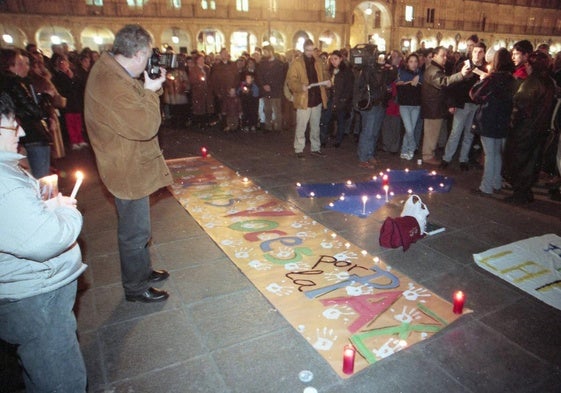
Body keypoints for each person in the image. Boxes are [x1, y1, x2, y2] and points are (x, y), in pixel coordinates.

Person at [0, 91, 87, 392]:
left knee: (41, 368)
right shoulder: (3, 182)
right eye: (12, 126)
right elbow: (46, 239)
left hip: (30, 289)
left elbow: (18, 225)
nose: (21, 132)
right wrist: (68, 214)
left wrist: (45, 207)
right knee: (61, 378)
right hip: (35, 295)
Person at [84, 24, 171, 303]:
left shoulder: (113, 70)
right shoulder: (112, 84)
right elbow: (145, 125)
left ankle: (142, 271)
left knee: (138, 229)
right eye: (147, 58)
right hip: (125, 168)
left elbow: (135, 108)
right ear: (138, 54)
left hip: (128, 161)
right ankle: (136, 287)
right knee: (135, 232)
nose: (148, 63)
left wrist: (150, 89)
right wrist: (150, 91)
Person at [503, 51, 556, 204]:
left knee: (520, 161)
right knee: (532, 161)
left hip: (526, 129)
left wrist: (512, 123)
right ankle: (525, 191)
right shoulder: (548, 81)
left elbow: (520, 104)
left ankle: (520, 192)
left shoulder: (532, 82)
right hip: (539, 128)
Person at [469, 48, 516, 196]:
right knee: (497, 154)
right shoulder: (511, 79)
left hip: (489, 119)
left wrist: (483, 79)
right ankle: (496, 182)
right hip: (503, 120)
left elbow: (475, 94)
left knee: (489, 155)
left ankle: (486, 187)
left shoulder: (492, 78)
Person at [0, 48, 52, 178]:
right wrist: (46, 98)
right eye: (20, 63)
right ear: (9, 65)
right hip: (32, 135)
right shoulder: (15, 83)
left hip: (18, 139)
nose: (26, 67)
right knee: (41, 179)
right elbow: (35, 111)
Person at [441, 42, 488, 170]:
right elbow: (453, 84)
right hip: (462, 103)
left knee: (469, 133)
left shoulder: (486, 68)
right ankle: (447, 158)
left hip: (476, 105)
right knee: (455, 132)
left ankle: (463, 159)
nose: (477, 55)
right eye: (475, 51)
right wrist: (451, 103)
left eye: (480, 52)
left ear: (484, 53)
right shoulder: (464, 64)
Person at [421, 46, 470, 165]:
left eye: (446, 56)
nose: (445, 58)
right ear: (434, 56)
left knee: (433, 132)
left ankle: (429, 154)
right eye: (442, 55)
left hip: (435, 107)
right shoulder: (433, 70)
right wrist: (461, 74)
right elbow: (444, 82)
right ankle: (427, 156)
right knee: (431, 133)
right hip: (433, 108)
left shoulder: (436, 68)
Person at [286, 39, 331, 158]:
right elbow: (291, 81)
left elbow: (325, 74)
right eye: (308, 50)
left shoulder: (318, 61)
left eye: (312, 50)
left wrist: (328, 82)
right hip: (304, 99)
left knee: (315, 125)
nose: (310, 53)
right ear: (303, 49)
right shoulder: (297, 63)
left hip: (316, 98)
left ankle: (315, 148)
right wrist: (301, 87)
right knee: (302, 125)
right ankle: (299, 148)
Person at [51, 53, 89, 150]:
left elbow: (79, 85)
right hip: (68, 103)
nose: (64, 64)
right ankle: (74, 140)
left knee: (78, 121)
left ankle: (80, 139)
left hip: (76, 101)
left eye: (65, 62)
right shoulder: (58, 76)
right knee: (71, 122)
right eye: (61, 62)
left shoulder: (73, 73)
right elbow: (64, 89)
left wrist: (73, 78)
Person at [319, 50, 354, 148]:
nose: (333, 61)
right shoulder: (330, 71)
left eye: (336, 59)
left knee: (340, 121)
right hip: (331, 98)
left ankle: (338, 140)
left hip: (341, 100)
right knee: (325, 120)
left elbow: (349, 88)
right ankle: (323, 139)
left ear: (341, 59)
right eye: (332, 59)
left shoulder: (346, 72)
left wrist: (344, 100)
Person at [396, 53, 423, 160]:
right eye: (411, 61)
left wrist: (418, 79)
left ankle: (404, 150)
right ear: (407, 63)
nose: (413, 64)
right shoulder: (402, 73)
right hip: (404, 105)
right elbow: (397, 84)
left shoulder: (420, 74)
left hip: (416, 105)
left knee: (410, 129)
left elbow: (423, 83)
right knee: (409, 129)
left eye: (415, 61)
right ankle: (413, 147)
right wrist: (407, 82)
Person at [256, 45, 286, 132]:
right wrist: (264, 85)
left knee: (277, 110)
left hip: (276, 91)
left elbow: (280, 78)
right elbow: (259, 76)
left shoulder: (280, 64)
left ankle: (278, 127)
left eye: (265, 52)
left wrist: (271, 86)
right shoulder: (262, 64)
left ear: (271, 52)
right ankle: (268, 126)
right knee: (267, 109)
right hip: (266, 91)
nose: (264, 54)